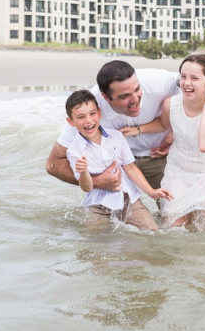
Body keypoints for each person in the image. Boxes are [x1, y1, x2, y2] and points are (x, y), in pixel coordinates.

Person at [121, 54, 205, 230]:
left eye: (194, 78)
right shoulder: (171, 104)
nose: (186, 83)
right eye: (183, 76)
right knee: (174, 228)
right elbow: (163, 124)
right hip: (179, 172)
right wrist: (138, 130)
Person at [46, 61, 178, 193]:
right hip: (113, 167)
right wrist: (97, 181)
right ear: (105, 97)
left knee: (176, 209)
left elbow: (197, 85)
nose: (135, 100)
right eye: (124, 96)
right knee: (126, 211)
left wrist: (175, 130)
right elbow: (53, 164)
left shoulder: (159, 82)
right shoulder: (88, 108)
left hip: (156, 157)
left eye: (137, 89)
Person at [64, 89, 173, 230]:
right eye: (81, 117)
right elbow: (87, 187)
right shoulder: (74, 151)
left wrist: (151, 191)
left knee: (152, 231)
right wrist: (83, 172)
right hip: (98, 205)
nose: (89, 120)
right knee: (93, 240)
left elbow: (130, 168)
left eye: (92, 114)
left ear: (99, 113)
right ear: (71, 121)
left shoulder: (116, 137)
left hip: (128, 199)